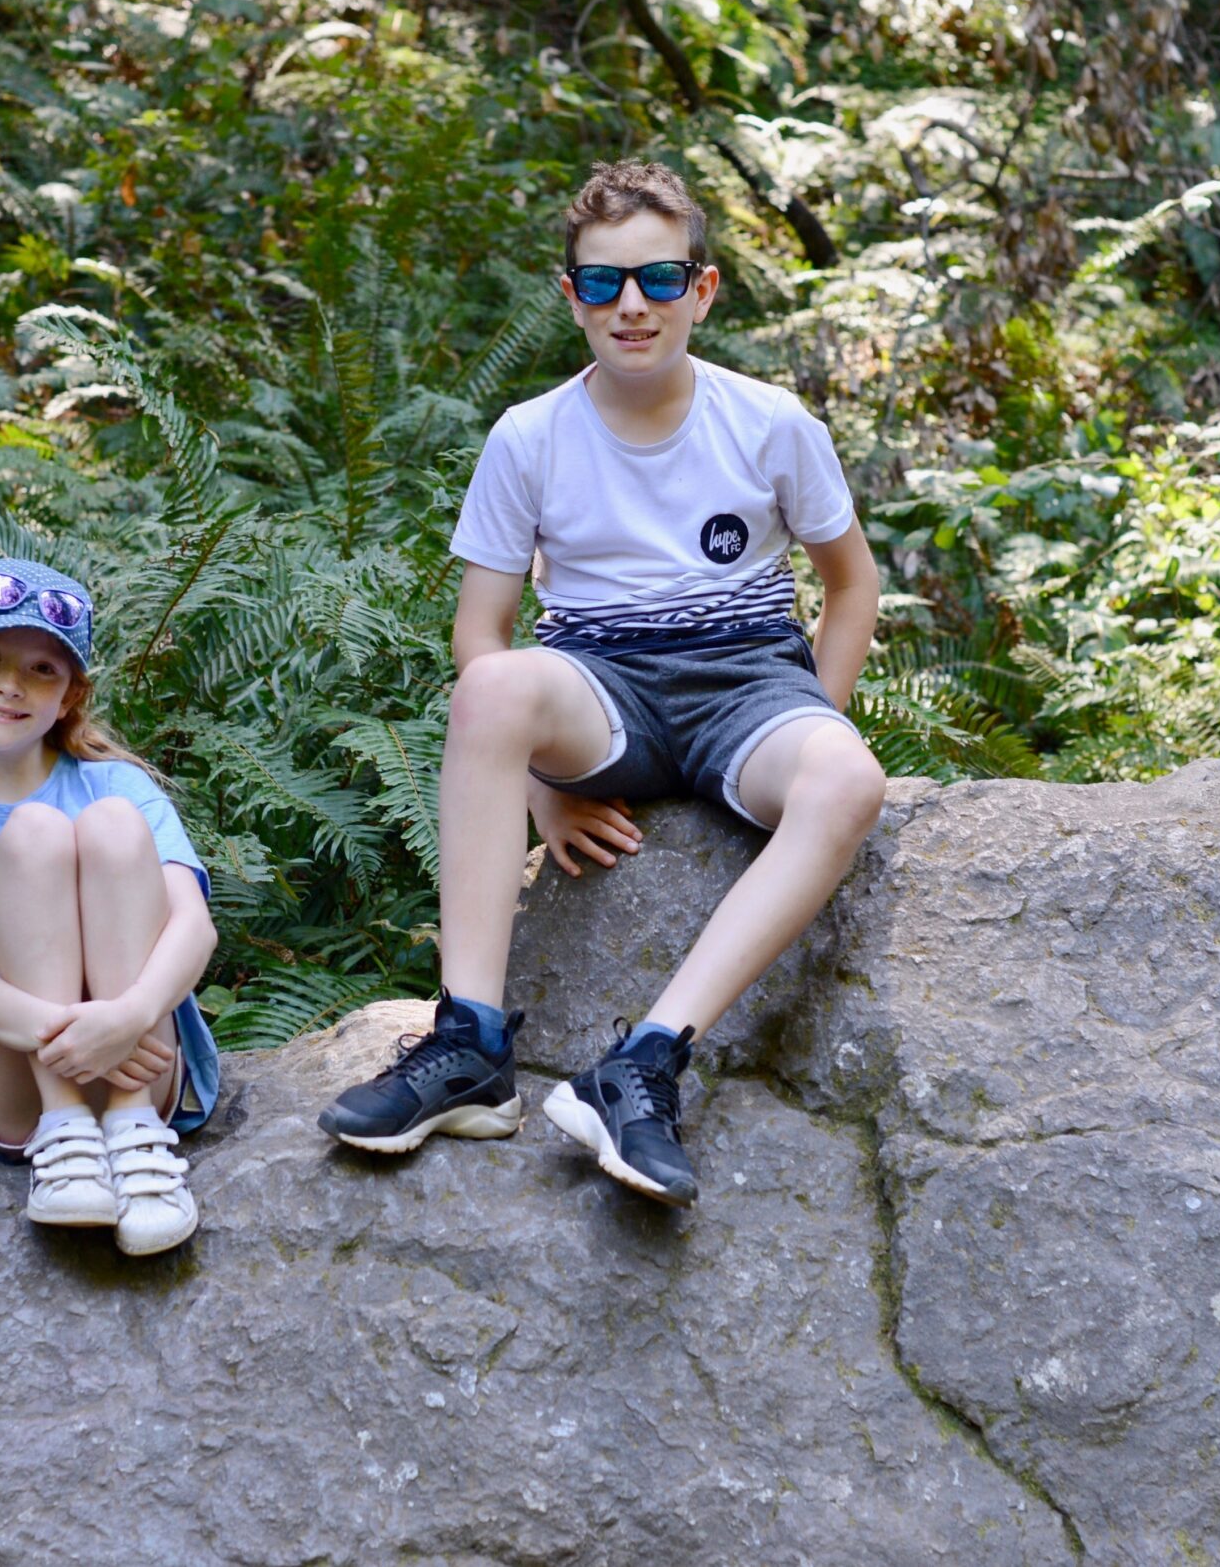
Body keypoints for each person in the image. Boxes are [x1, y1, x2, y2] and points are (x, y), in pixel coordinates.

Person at [316, 159, 888, 1205]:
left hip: (749, 687)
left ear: (702, 290)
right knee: (492, 692)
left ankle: (644, 1062)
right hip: (600, 691)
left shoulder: (768, 422)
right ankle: (470, 1047)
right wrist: (539, 785)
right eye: (604, 283)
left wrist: (815, 723)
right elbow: (481, 633)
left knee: (847, 782)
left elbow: (850, 589)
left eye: (660, 279)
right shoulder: (529, 437)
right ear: (569, 296)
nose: (633, 304)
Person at [0, 557, 223, 1254]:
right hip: (18, 1088)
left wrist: (124, 1018)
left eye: (43, 669)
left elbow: (194, 925)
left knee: (114, 825)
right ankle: (67, 1138)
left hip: (138, 1069)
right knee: (32, 833)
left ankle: (134, 1141)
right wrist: (74, 1034)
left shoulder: (115, 786)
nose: (11, 682)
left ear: (68, 697)